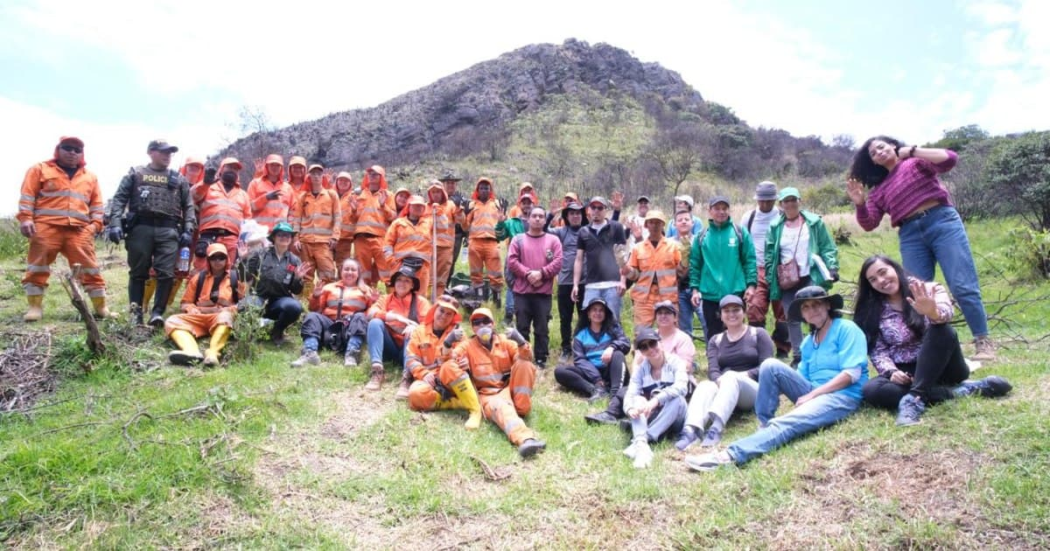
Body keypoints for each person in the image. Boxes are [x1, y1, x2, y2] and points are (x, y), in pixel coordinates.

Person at [685, 286, 868, 472]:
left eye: (817, 304)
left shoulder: (846, 328)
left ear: (828, 305)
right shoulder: (808, 342)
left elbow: (851, 375)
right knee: (770, 365)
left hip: (841, 395)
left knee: (787, 422)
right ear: (802, 313)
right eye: (806, 307)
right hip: (813, 389)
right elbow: (799, 378)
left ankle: (729, 456)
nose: (812, 310)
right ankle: (764, 424)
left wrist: (813, 395)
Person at [848, 137, 995, 362]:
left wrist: (914, 151)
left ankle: (982, 341)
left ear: (893, 146)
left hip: (941, 221)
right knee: (914, 291)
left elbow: (950, 159)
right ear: (874, 163)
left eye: (881, 146)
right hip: (910, 234)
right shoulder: (878, 192)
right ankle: (925, 347)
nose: (878, 152)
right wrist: (859, 203)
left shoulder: (915, 163)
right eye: (873, 153)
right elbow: (869, 224)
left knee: (962, 284)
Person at [854, 256, 1012, 426]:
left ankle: (913, 400)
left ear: (895, 268)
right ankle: (963, 391)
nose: (881, 281)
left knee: (942, 329)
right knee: (872, 390)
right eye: (873, 280)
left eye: (883, 272)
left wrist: (932, 312)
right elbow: (878, 350)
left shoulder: (929, 289)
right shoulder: (872, 310)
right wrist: (891, 372)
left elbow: (946, 315)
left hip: (945, 365)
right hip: (909, 372)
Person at [18, 136, 111, 322]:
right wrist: (26, 219)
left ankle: (101, 308)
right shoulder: (39, 169)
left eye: (77, 150)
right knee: (37, 267)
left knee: (91, 269)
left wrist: (94, 226)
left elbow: (97, 205)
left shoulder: (90, 177)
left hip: (79, 230)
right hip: (45, 227)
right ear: (58, 149)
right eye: (68, 148)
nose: (72, 152)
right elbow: (27, 196)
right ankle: (35, 308)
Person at [107, 139, 197, 326]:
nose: (167, 156)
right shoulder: (136, 174)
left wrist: (188, 229)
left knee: (166, 273)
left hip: (168, 229)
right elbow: (119, 200)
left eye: (170, 153)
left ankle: (157, 313)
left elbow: (188, 207)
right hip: (141, 228)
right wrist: (115, 223)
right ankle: (136, 313)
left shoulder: (178, 179)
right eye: (163, 152)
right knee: (138, 272)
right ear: (151, 152)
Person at [442, 308, 547, 458]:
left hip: (508, 389)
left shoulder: (504, 341)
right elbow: (446, 363)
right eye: (477, 323)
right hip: (488, 395)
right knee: (501, 406)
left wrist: (521, 341)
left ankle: (521, 408)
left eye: (486, 321)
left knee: (525, 364)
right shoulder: (468, 346)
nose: (482, 326)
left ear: (492, 324)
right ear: (472, 328)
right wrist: (448, 343)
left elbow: (527, 357)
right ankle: (525, 440)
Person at [676, 295, 773, 451]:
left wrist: (743, 376)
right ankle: (690, 430)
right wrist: (721, 381)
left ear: (744, 312)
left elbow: (768, 367)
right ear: (720, 315)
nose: (731, 314)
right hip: (725, 388)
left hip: (753, 390)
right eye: (726, 311)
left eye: (736, 310)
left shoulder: (758, 334)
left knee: (730, 376)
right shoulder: (716, 340)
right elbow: (713, 371)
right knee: (705, 385)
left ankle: (716, 428)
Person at [587, 300, 695, 425]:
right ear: (655, 317)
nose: (663, 316)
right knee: (625, 391)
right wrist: (637, 379)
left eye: (667, 313)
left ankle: (642, 422)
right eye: (660, 314)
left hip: (673, 382)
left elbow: (687, 366)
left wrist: (660, 360)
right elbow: (637, 363)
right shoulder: (648, 336)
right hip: (649, 380)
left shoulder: (682, 338)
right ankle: (611, 414)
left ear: (675, 317)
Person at [764, 187, 839, 367]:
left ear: (800, 201)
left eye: (793, 200)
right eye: (786, 201)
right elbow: (769, 254)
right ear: (780, 205)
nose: (790, 204)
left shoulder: (813, 223)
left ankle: (821, 351)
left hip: (809, 274)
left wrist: (832, 266)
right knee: (792, 316)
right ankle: (798, 356)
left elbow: (827, 246)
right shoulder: (775, 226)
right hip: (787, 279)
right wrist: (770, 277)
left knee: (818, 313)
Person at [689, 196, 757, 341]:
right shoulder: (701, 237)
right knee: (713, 334)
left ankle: (738, 362)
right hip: (710, 294)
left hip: (735, 291)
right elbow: (695, 265)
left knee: (736, 331)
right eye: (717, 208)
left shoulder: (740, 233)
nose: (721, 212)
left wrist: (751, 286)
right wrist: (695, 289)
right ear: (710, 211)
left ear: (729, 210)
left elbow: (749, 261)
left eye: (724, 208)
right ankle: (715, 363)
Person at [622, 327, 690, 469]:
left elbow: (682, 387)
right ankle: (642, 446)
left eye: (652, 343)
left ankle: (642, 440)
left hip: (675, 416)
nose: (650, 349)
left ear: (661, 343)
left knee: (677, 399)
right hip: (653, 416)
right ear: (641, 352)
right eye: (644, 347)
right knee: (638, 400)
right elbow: (631, 393)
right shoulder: (641, 370)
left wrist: (656, 400)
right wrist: (630, 409)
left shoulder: (676, 363)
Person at [292, 258, 378, 368]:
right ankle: (310, 352)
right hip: (329, 327)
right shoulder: (329, 288)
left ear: (358, 273)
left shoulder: (366, 291)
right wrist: (316, 296)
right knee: (312, 316)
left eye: (353, 270)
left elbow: (370, 315)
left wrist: (374, 302)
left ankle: (351, 354)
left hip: (349, 328)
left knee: (360, 317)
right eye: (346, 269)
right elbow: (315, 309)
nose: (349, 272)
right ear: (341, 271)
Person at [405, 297, 477, 424]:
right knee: (415, 395)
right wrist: (424, 373)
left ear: (454, 316)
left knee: (449, 366)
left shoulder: (458, 333)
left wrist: (467, 362)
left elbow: (465, 354)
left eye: (449, 314)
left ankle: (475, 409)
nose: (444, 316)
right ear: (434, 310)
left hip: (451, 379)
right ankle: (455, 403)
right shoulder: (419, 331)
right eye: (441, 311)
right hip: (430, 381)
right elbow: (411, 359)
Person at [507, 206, 563, 368]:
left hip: (543, 293)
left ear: (545, 220)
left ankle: (540, 358)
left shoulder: (553, 240)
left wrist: (542, 273)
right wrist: (528, 274)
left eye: (541, 216)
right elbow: (512, 261)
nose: (537, 219)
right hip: (522, 293)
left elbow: (558, 262)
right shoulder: (518, 239)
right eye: (534, 216)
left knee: (542, 328)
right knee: (522, 326)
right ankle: (523, 356)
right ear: (528, 219)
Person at [165, 244, 238, 367]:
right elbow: (185, 303)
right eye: (213, 258)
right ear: (208, 260)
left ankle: (213, 354)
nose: (217, 261)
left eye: (221, 257)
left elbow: (244, 303)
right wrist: (192, 309)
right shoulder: (198, 278)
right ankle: (191, 351)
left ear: (227, 259)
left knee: (225, 317)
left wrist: (227, 308)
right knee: (172, 320)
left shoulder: (235, 277)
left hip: (222, 317)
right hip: (199, 317)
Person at [237, 222, 307, 345]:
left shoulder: (294, 260)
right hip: (259, 297)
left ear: (291, 239)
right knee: (245, 306)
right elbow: (244, 276)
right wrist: (243, 260)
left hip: (280, 301)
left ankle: (277, 330)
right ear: (274, 237)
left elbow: (296, 290)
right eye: (280, 235)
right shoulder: (260, 254)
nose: (284, 238)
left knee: (295, 307)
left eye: (287, 235)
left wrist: (298, 279)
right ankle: (253, 331)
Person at [366, 265, 433, 391]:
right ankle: (377, 370)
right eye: (399, 280)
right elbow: (370, 313)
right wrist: (393, 317)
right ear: (394, 283)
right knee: (375, 322)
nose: (402, 283)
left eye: (407, 280)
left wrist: (415, 328)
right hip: (389, 347)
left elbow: (428, 324)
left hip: (409, 350)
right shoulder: (386, 299)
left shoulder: (421, 302)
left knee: (412, 332)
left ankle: (407, 376)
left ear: (412, 285)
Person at [741, 181, 790, 356]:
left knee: (783, 310)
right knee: (754, 308)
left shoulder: (783, 216)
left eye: (769, 200)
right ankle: (760, 349)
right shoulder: (749, 217)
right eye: (762, 200)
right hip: (757, 268)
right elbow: (744, 244)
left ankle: (783, 349)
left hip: (779, 268)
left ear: (775, 200)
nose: (765, 204)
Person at [555, 297, 630, 402]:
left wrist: (611, 347)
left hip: (612, 371)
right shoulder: (580, 336)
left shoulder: (613, 328)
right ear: (588, 313)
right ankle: (596, 390)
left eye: (601, 310)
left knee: (618, 354)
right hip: (591, 374)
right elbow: (579, 360)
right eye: (594, 310)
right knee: (560, 371)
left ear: (605, 313)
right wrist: (597, 379)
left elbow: (626, 343)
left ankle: (615, 395)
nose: (598, 313)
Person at [191, 156, 252, 272]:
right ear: (221, 169)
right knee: (200, 273)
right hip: (209, 236)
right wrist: (204, 183)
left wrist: (245, 243)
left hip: (233, 240)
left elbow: (247, 222)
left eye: (235, 169)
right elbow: (192, 197)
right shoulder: (208, 187)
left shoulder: (243, 195)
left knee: (228, 276)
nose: (232, 170)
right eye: (229, 167)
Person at [572, 196, 628, 321]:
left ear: (605, 210)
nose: (596, 211)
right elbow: (579, 259)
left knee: (613, 321)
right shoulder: (583, 232)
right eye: (593, 207)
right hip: (591, 285)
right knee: (590, 322)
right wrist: (575, 284)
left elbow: (623, 256)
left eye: (600, 208)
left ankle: (615, 342)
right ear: (589, 210)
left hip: (613, 284)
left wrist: (623, 281)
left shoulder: (616, 227)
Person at [623, 210, 680, 327]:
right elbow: (634, 275)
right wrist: (624, 267)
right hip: (644, 299)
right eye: (651, 222)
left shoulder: (673, 246)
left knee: (669, 333)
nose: (654, 225)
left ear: (663, 225)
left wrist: (685, 260)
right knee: (642, 336)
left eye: (658, 222)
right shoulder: (637, 248)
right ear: (646, 225)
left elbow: (681, 272)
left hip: (668, 298)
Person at [291, 164, 341, 298]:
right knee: (306, 277)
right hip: (305, 242)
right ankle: (307, 305)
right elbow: (297, 219)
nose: (316, 177)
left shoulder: (331, 195)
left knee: (328, 274)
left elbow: (337, 218)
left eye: (319, 174)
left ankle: (326, 303)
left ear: (323, 176)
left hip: (324, 243)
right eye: (313, 174)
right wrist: (296, 239)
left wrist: (335, 237)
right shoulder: (303, 197)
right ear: (309, 177)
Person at [347, 165, 395, 286]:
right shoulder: (360, 195)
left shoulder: (388, 195)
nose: (372, 177)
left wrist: (384, 206)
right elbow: (353, 220)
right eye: (370, 174)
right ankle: (366, 299)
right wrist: (353, 211)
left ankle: (392, 300)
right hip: (361, 238)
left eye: (375, 174)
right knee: (363, 274)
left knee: (387, 272)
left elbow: (393, 217)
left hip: (380, 239)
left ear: (381, 177)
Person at [552, 202, 588, 360]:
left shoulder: (587, 231)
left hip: (585, 282)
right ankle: (566, 348)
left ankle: (582, 347)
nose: (575, 216)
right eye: (572, 213)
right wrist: (550, 215)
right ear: (566, 216)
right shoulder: (561, 232)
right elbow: (544, 230)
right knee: (565, 318)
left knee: (585, 316)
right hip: (565, 281)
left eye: (578, 213)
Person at [464, 177, 504, 308]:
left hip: (492, 242)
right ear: (477, 190)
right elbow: (465, 226)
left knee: (496, 273)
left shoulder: (497, 204)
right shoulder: (472, 205)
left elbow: (503, 223)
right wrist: (463, 213)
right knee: (476, 272)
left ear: (490, 190)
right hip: (475, 242)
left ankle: (496, 302)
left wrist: (503, 218)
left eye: (486, 188)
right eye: (481, 188)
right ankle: (479, 300)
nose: (484, 190)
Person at [497, 190, 536, 323]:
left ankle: (530, 313)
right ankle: (508, 315)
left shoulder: (537, 221)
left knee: (531, 284)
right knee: (511, 285)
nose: (526, 205)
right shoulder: (512, 222)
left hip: (532, 258)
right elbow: (500, 236)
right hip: (514, 259)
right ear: (520, 205)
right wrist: (501, 223)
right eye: (524, 203)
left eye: (529, 203)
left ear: (533, 204)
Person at [384, 195, 434, 298]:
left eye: (421, 206)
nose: (418, 208)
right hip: (400, 264)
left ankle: (417, 313)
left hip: (422, 266)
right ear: (409, 207)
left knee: (419, 296)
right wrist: (391, 261)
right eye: (415, 206)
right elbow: (387, 244)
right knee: (399, 292)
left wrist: (440, 212)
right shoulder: (398, 223)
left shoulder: (429, 223)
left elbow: (443, 227)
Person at [426, 180, 463, 298]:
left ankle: (438, 301)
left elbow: (461, 221)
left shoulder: (451, 205)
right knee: (428, 277)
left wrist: (458, 208)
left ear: (443, 192)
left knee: (441, 279)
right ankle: (426, 302)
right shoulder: (426, 207)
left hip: (446, 247)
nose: (436, 194)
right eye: (433, 192)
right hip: (428, 247)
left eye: (438, 192)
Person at [672, 210, 705, 336]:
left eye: (686, 219)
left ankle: (712, 353)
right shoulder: (669, 243)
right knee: (684, 327)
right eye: (680, 220)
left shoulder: (701, 240)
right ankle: (686, 355)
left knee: (706, 321)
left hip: (699, 288)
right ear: (674, 224)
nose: (683, 222)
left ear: (693, 222)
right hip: (679, 289)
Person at [246, 154, 294, 232]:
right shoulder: (255, 184)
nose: (274, 168)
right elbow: (249, 207)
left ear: (281, 168)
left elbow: (292, 212)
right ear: (267, 166)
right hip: (259, 233)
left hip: (280, 233)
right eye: (272, 165)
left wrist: (289, 228)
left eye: (277, 165)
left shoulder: (288, 188)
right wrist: (265, 198)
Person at [441, 171, 468, 288]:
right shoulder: (438, 198)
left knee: (450, 263)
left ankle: (445, 287)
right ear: (444, 185)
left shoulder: (463, 200)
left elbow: (467, 218)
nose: (451, 185)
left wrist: (467, 235)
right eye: (448, 183)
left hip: (455, 236)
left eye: (453, 183)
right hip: (438, 236)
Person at [333, 172, 357, 267]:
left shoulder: (354, 197)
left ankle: (341, 282)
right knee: (326, 265)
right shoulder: (330, 195)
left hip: (345, 238)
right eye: (341, 180)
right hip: (329, 237)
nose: (343, 182)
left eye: (346, 181)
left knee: (342, 265)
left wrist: (355, 210)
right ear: (337, 182)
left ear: (350, 183)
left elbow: (357, 218)